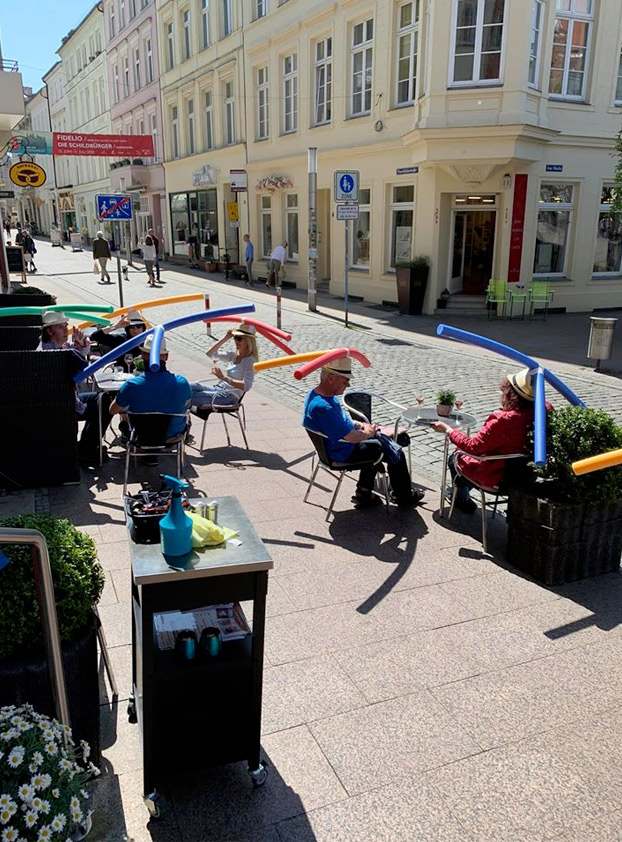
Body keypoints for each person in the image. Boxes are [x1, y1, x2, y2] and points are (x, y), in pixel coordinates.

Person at [303, 358, 425, 508]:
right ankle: (404, 496)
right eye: (345, 381)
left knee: (388, 442)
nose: (348, 385)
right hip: (343, 452)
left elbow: (341, 422)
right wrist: (369, 433)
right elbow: (352, 438)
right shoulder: (323, 407)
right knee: (395, 451)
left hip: (335, 448)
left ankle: (364, 491)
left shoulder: (317, 396)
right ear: (331, 378)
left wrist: (360, 425)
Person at [432, 368, 544, 513]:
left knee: (454, 457)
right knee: (462, 459)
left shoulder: (504, 420)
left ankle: (461, 498)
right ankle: (461, 488)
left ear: (510, 394)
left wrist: (449, 430)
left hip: (496, 475)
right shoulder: (543, 411)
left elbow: (473, 447)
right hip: (524, 476)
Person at [38, 311, 111, 466]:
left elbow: (79, 352)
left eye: (66, 326)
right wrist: (79, 350)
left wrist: (79, 342)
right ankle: (87, 448)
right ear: (49, 331)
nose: (66, 330)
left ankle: (86, 445)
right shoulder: (49, 353)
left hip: (70, 398)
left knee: (103, 398)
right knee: (106, 406)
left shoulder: (58, 346)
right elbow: (81, 367)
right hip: (64, 405)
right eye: (60, 327)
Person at [110, 334, 192, 449]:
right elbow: (188, 405)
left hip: (140, 435)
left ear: (142, 356)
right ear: (166, 356)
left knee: (125, 418)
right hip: (172, 436)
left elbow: (112, 410)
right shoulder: (182, 383)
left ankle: (145, 453)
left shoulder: (132, 385)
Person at [190, 324, 258, 409]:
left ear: (249, 341)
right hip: (219, 389)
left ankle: (177, 419)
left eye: (239, 339)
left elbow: (247, 386)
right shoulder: (234, 355)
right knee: (189, 386)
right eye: (235, 338)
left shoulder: (250, 361)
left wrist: (223, 378)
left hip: (229, 396)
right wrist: (226, 337)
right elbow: (210, 354)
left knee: (187, 396)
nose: (236, 341)